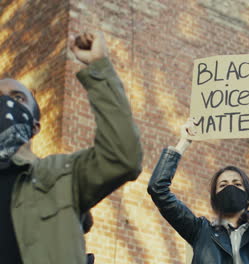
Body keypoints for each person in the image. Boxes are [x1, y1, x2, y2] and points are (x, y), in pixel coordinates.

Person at [0, 31, 143, 263]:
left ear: (35, 126)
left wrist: (99, 68)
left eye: (17, 99)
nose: (5, 104)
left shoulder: (60, 175)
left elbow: (122, 157)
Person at [147, 113, 249, 264]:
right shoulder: (199, 232)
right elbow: (158, 189)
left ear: (248, 194)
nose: (230, 187)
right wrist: (183, 143)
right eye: (223, 185)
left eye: (236, 184)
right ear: (214, 197)